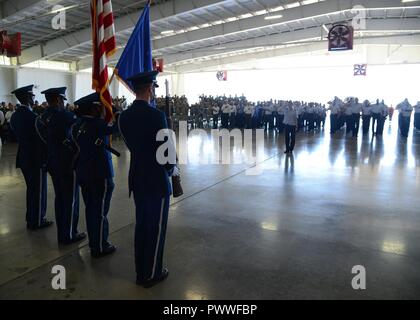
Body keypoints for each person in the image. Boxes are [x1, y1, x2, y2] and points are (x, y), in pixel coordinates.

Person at [118, 70, 176, 288]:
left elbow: (131, 145)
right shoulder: (156, 116)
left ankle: (141, 270)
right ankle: (151, 273)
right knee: (155, 228)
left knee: (142, 226)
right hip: (156, 179)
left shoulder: (124, 116)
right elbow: (166, 152)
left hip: (137, 177)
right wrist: (172, 170)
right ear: (150, 88)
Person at [71, 93, 118, 257]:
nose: (102, 109)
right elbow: (117, 129)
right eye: (100, 106)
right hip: (100, 174)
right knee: (100, 212)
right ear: (93, 108)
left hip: (83, 172)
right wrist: (117, 115)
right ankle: (99, 246)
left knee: (91, 209)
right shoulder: (97, 124)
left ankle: (94, 243)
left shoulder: (76, 125)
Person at [37, 87, 86, 245]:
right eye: (62, 100)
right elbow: (80, 129)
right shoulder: (65, 115)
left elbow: (41, 137)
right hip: (67, 162)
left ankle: (62, 232)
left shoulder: (41, 117)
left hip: (52, 161)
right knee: (71, 199)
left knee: (60, 198)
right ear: (58, 99)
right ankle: (69, 234)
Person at [9, 85, 53, 230]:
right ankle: (38, 220)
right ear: (28, 97)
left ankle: (31, 218)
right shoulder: (33, 117)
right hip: (35, 158)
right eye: (32, 96)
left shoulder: (15, 116)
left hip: (23, 156)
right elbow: (41, 139)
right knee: (39, 190)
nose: (34, 98)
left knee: (31, 190)